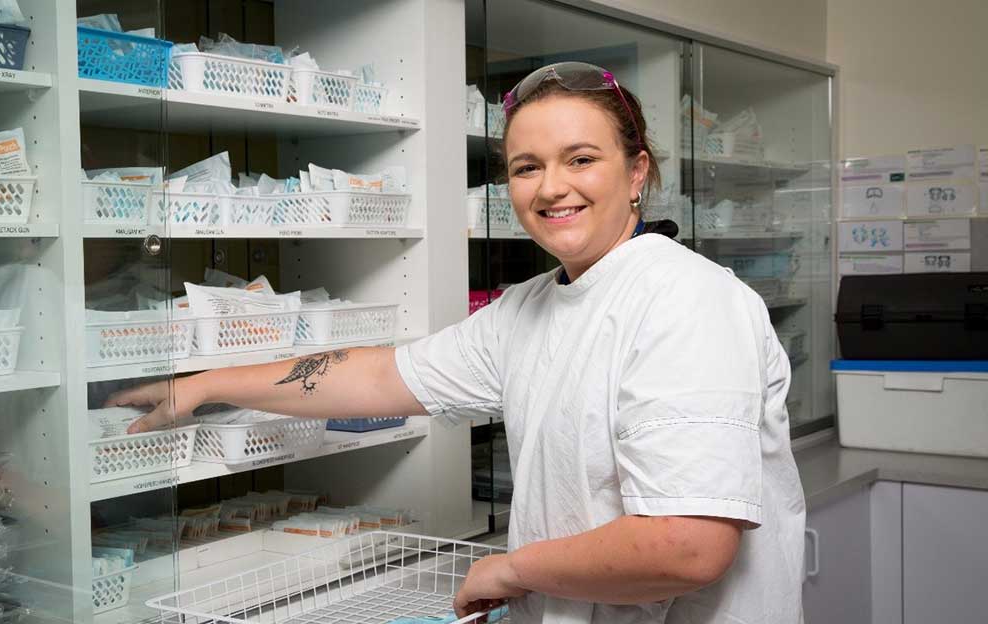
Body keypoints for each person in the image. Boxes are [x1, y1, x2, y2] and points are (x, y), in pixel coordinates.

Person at [107, 62, 805, 624]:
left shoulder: (686, 303)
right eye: (527, 167)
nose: (551, 187)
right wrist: (204, 384)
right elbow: (379, 377)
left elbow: (686, 547)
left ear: (638, 172)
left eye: (581, 159)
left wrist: (510, 566)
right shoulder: (528, 309)